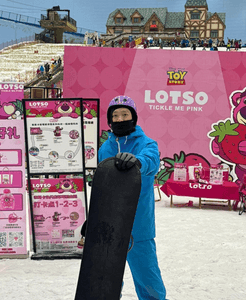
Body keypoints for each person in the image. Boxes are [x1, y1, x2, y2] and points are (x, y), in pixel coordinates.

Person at [99, 95, 167, 300]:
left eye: (125, 114)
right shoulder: (105, 149)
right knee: (107, 278)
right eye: (115, 115)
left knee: (147, 276)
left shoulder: (147, 143)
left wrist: (137, 161)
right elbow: (102, 187)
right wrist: (94, 218)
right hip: (111, 224)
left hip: (139, 225)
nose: (120, 119)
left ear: (134, 117)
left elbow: (152, 161)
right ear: (110, 121)